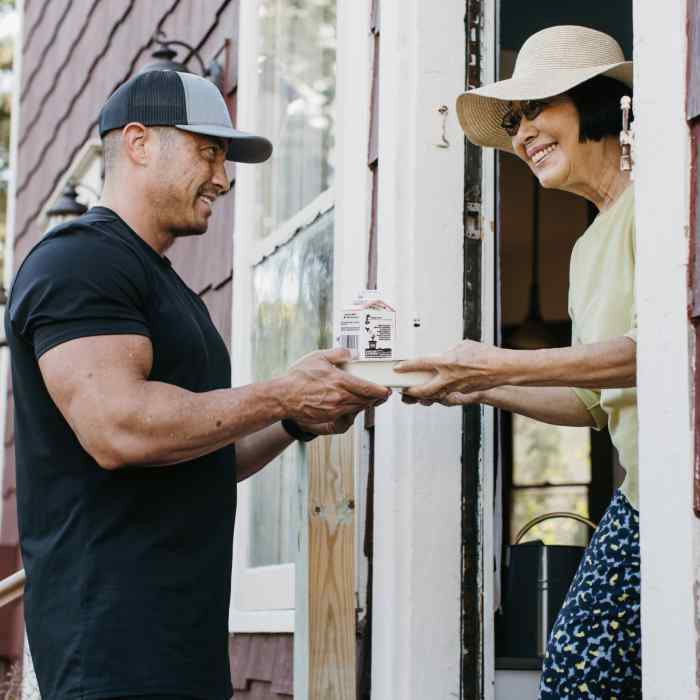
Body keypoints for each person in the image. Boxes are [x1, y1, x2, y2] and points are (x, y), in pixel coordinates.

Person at [5, 70, 390, 700]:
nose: (223, 176)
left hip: (181, 647)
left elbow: (200, 453)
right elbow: (120, 428)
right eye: (207, 151)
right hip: (108, 655)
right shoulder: (78, 260)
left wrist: (296, 419)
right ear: (138, 143)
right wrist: (280, 392)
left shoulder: (164, 288)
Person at [396, 25, 641, 699]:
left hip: (675, 497)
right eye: (514, 118)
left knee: (579, 670)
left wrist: (495, 364)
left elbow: (662, 358)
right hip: (642, 498)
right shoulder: (589, 246)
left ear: (595, 101)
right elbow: (596, 404)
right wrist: (475, 391)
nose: (522, 131)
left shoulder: (663, 206)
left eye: (537, 107)